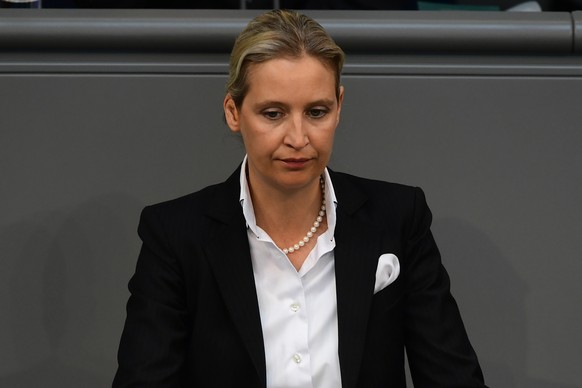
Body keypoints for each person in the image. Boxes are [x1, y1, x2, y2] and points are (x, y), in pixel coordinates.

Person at [113, 9, 487, 388]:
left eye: (316, 112)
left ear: (339, 107)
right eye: (273, 113)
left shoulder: (398, 217)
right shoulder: (176, 235)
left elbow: (453, 377)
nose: (298, 137)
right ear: (233, 112)